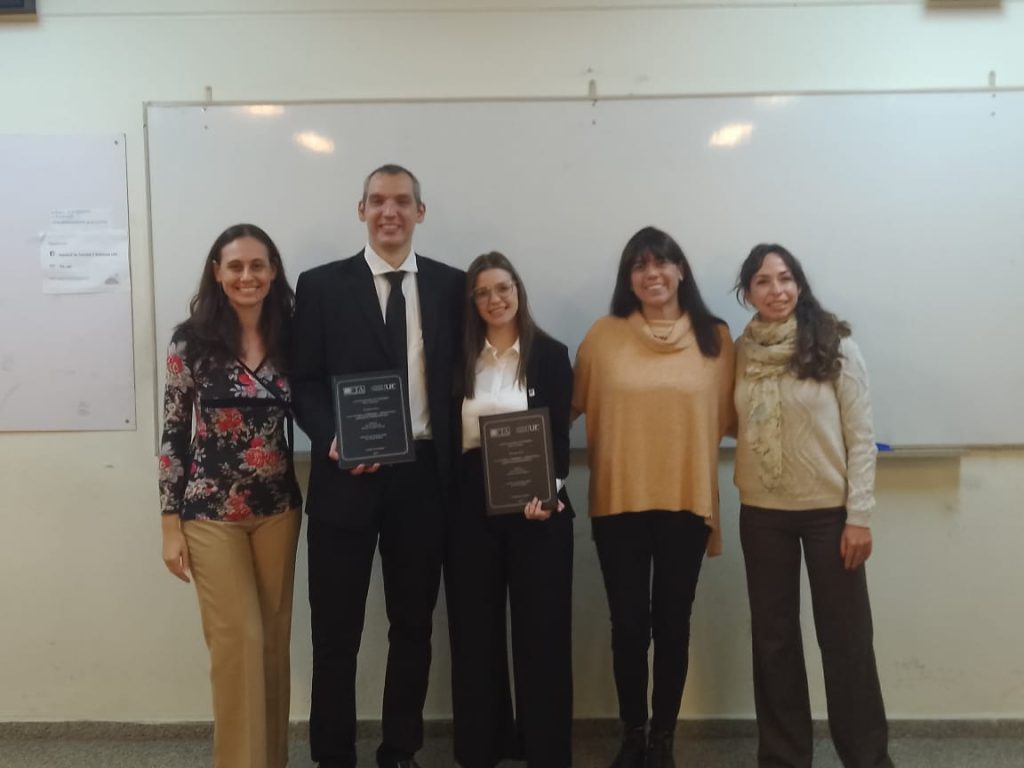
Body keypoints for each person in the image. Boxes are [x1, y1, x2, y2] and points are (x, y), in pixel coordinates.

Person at [291, 164, 464, 768]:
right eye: (378, 201)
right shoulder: (320, 286)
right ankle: (333, 753)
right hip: (344, 477)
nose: (390, 212)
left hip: (423, 480)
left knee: (412, 626)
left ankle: (400, 750)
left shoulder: (452, 287)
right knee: (335, 632)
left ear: (420, 212)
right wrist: (331, 435)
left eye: (402, 201)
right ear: (361, 209)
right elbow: (304, 382)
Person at [572, 226, 735, 768]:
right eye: (639, 265)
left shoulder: (716, 339)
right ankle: (632, 733)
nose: (652, 273)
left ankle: (663, 737)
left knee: (672, 625)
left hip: (686, 503)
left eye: (661, 262)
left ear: (680, 270)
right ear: (629, 278)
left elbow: (750, 414)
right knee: (627, 627)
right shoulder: (603, 337)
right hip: (618, 503)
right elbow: (560, 408)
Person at [732, 244, 893, 768]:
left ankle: (867, 758)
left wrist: (859, 517)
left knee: (847, 641)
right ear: (747, 292)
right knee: (773, 642)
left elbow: (861, 438)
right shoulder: (739, 352)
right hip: (762, 514)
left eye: (784, 278)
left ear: (799, 284)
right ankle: (784, 757)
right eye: (762, 281)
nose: (775, 290)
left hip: (831, 515)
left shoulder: (834, 343)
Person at [158, 223, 302, 768]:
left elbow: (321, 402)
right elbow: (173, 434)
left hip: (279, 510)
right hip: (209, 512)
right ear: (217, 273)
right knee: (237, 640)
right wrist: (169, 525)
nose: (247, 276)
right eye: (236, 266)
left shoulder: (292, 336)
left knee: (272, 643)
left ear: (273, 272)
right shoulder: (190, 342)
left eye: (258, 265)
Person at [446, 252, 574, 768]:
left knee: (543, 633)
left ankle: (546, 751)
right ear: (472, 302)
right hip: (468, 508)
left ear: (518, 290)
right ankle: (482, 747)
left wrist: (548, 492)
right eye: (482, 292)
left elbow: (560, 439)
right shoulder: (457, 357)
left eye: (502, 288)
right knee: (474, 633)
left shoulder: (550, 354)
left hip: (536, 509)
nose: (494, 300)